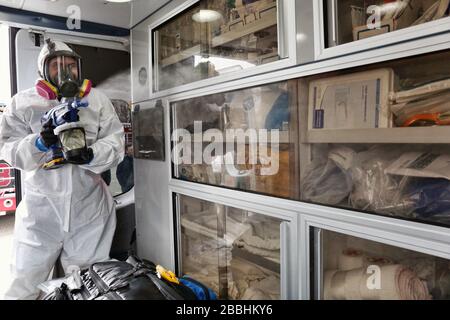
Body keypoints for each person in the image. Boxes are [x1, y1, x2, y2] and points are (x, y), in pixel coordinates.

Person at [0, 39, 125, 299]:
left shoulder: (97, 100)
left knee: (88, 281)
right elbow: (8, 149)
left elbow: (116, 142)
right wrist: (39, 141)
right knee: (24, 282)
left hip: (89, 209)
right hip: (39, 212)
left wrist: (90, 154)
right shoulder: (22, 103)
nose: (65, 70)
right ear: (43, 70)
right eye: (56, 65)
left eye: (71, 65)